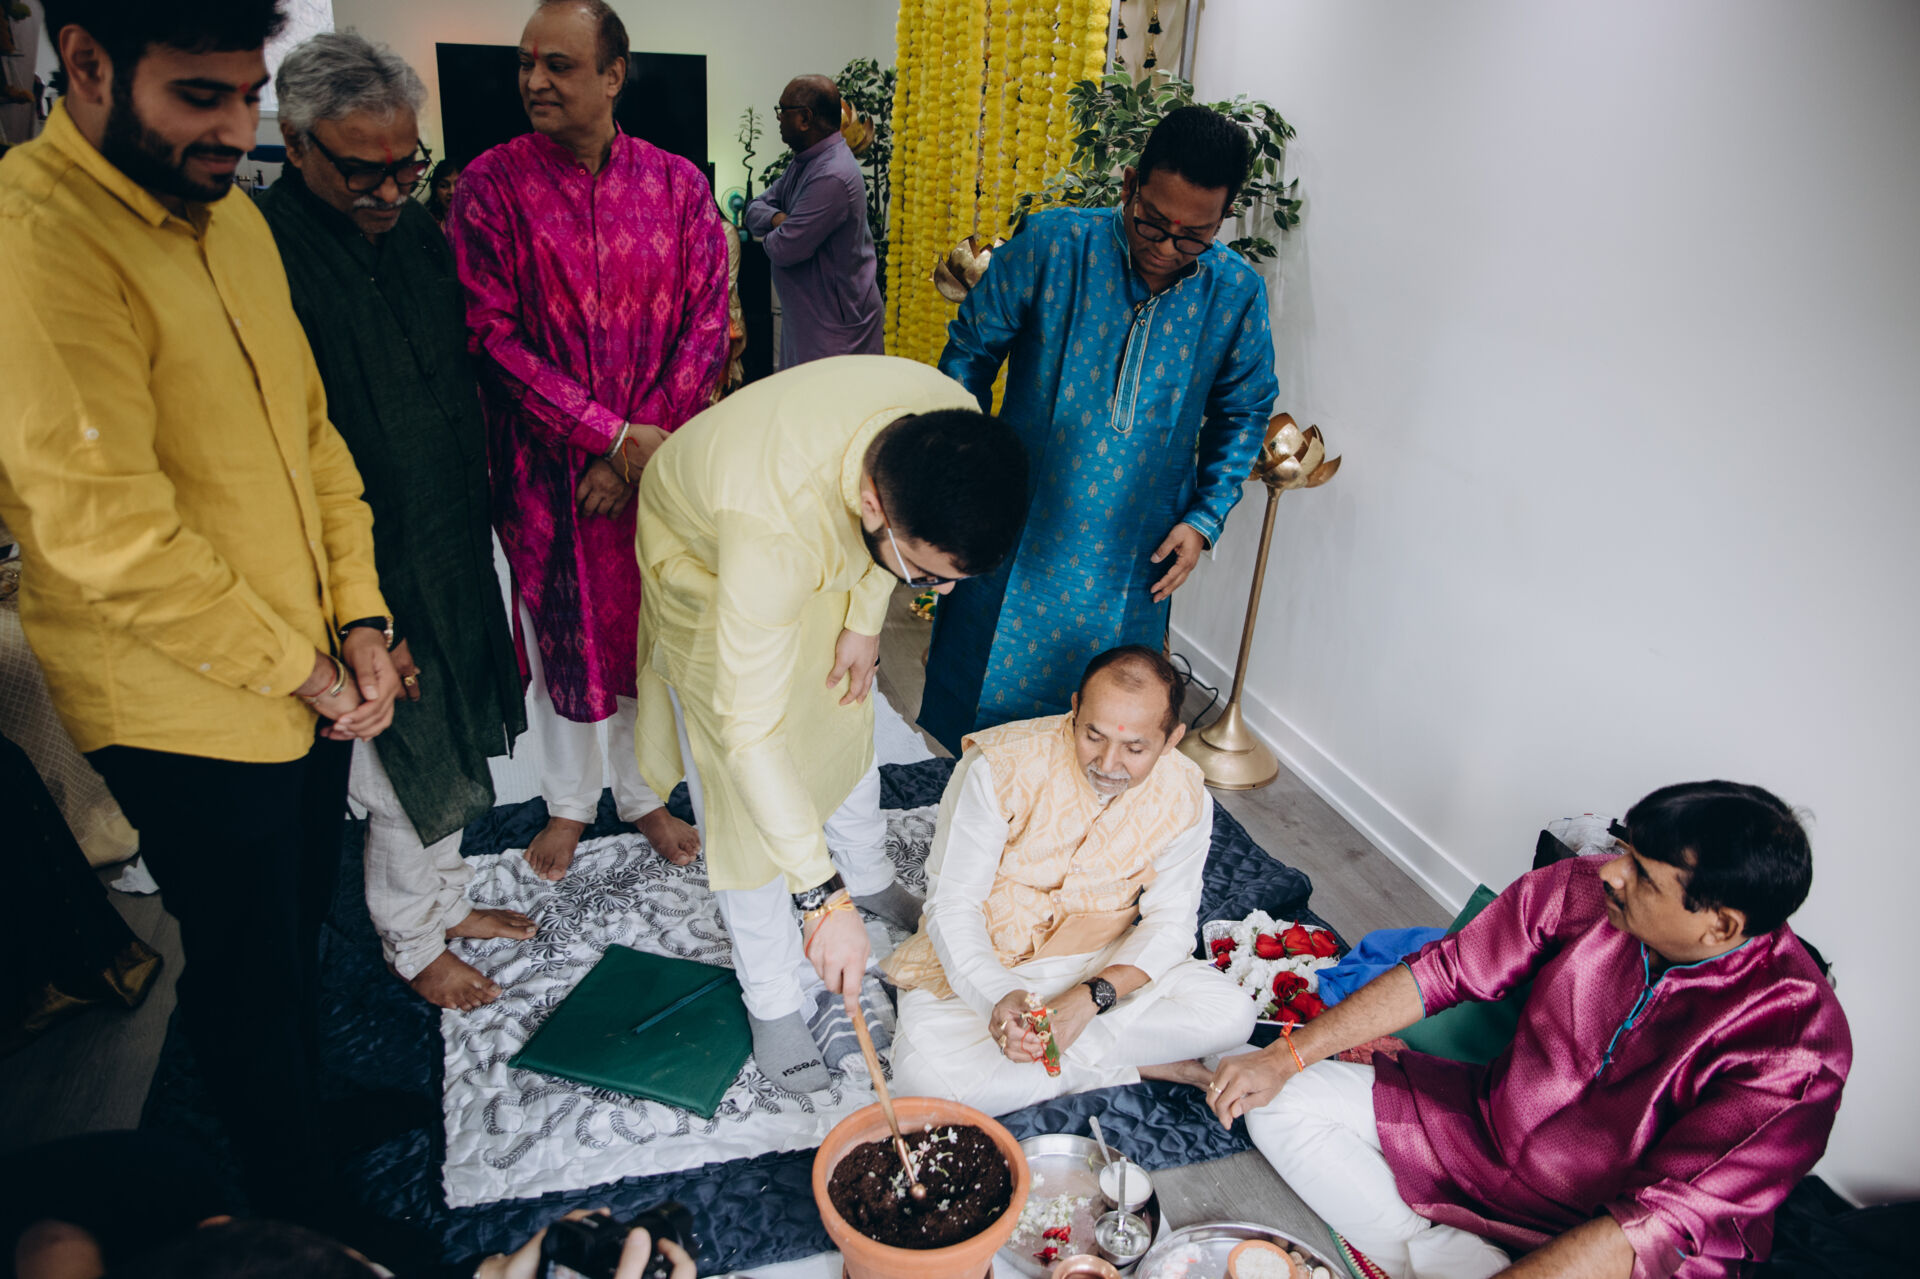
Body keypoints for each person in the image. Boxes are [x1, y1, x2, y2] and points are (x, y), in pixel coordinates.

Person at [0, 0, 400, 1224]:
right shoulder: (37, 243)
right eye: (198, 96)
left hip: (302, 667)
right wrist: (314, 672)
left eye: (246, 93)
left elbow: (312, 435)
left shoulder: (230, 219)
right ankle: (292, 1205)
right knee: (240, 963)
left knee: (298, 922)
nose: (236, 130)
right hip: (179, 703)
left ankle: (303, 1114)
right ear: (86, 64)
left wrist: (362, 618)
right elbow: (114, 541)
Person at [1206, 782, 1852, 1279]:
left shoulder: (1796, 1048)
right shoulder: (1585, 890)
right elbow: (1443, 970)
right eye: (1626, 850)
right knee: (1276, 1098)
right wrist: (1287, 1056)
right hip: (1484, 1134)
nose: (1611, 871)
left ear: (1721, 926)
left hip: (1616, 1236)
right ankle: (1446, 1253)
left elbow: (1657, 1222)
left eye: (1644, 874)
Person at [633, 355, 1028, 1091]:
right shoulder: (770, 533)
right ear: (874, 507)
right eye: (927, 575)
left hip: (812, 534)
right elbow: (749, 735)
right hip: (712, 565)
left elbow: (888, 546)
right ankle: (772, 995)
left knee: (845, 714)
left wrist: (866, 614)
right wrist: (819, 900)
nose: (939, 594)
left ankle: (869, 874)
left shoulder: (949, 415)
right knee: (744, 798)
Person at [262, 32, 536, 1011]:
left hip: (450, 539)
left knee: (454, 736)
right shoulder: (262, 253)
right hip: (361, 568)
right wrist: (361, 614)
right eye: (362, 172)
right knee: (398, 770)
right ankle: (412, 939)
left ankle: (446, 898)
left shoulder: (417, 231)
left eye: (407, 166)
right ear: (297, 145)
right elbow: (286, 461)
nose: (389, 191)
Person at [448, 0, 730, 882]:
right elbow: (489, 333)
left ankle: (643, 794)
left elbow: (707, 324)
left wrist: (637, 453)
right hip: (548, 475)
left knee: (651, 636)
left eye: (558, 65)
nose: (533, 81)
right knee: (561, 638)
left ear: (613, 75)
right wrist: (605, 435)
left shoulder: (678, 186)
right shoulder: (491, 187)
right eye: (525, 63)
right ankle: (569, 799)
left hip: (656, 471)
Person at [919, 104, 1281, 755]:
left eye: (1193, 236)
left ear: (1223, 218)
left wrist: (1205, 518)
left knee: (1105, 734)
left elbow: (1245, 410)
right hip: (1014, 527)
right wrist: (962, 469)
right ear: (1129, 183)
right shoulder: (1054, 245)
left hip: (1133, 554)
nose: (1166, 247)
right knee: (978, 733)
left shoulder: (1234, 294)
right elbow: (970, 352)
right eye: (1152, 221)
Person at [884, 646, 1256, 1115]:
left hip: (1100, 963)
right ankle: (1139, 1062)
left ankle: (1062, 1057)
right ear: (1076, 708)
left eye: (1135, 749)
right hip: (990, 962)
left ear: (1172, 739)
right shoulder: (998, 767)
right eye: (1093, 736)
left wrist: (1092, 998)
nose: (1108, 763)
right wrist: (999, 996)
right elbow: (953, 905)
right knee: (926, 1087)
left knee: (1233, 1015)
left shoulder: (1187, 795)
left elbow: (1171, 921)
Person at [744, 75, 884, 367]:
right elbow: (753, 209)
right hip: (810, 323)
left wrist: (777, 228)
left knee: (829, 397)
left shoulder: (833, 175)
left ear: (805, 118)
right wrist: (779, 218)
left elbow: (783, 249)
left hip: (835, 332)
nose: (779, 119)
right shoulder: (805, 161)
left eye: (783, 111)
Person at [424, 157, 459, 224]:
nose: (452, 192)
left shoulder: (476, 220)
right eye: (444, 186)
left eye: (457, 185)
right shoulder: (427, 222)